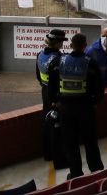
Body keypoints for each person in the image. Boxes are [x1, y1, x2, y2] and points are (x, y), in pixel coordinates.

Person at [47, 32, 104, 179]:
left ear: (71, 45)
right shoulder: (91, 63)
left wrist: (55, 100)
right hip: (86, 109)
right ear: (85, 46)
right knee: (90, 142)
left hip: (66, 110)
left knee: (70, 143)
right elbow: (99, 88)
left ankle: (75, 173)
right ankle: (97, 171)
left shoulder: (59, 62)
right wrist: (94, 103)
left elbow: (51, 84)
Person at [35, 29, 68, 168]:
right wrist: (57, 100)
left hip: (45, 92)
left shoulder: (40, 54)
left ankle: (47, 154)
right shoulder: (58, 59)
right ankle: (59, 161)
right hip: (56, 97)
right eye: (61, 42)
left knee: (47, 123)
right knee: (57, 127)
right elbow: (58, 80)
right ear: (58, 43)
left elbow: (38, 76)